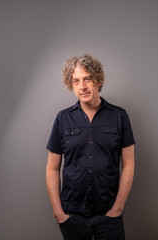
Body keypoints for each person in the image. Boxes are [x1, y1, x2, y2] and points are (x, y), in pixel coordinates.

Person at [46, 54, 135, 240]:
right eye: (76, 81)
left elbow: (128, 164)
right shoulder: (62, 119)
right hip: (72, 216)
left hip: (109, 215)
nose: (83, 86)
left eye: (87, 79)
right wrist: (58, 212)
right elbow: (52, 168)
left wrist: (118, 207)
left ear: (97, 79)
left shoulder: (119, 116)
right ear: (71, 85)